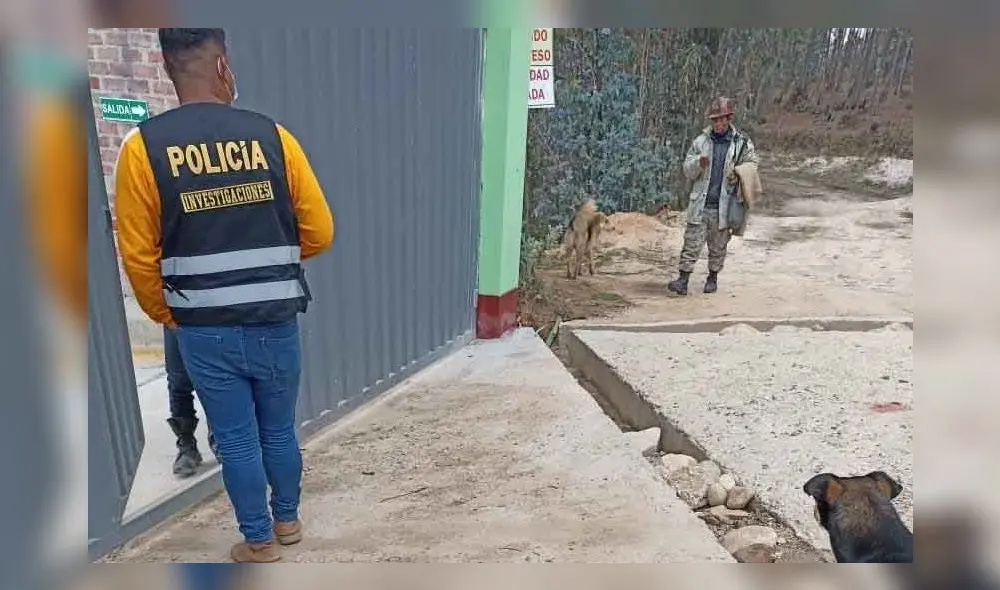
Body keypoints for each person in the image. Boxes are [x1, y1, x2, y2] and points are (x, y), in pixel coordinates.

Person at [114, 28, 335, 562]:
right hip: (274, 321)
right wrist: (271, 264)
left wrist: (167, 312)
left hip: (204, 331)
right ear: (223, 67)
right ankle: (287, 523)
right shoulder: (274, 137)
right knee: (278, 430)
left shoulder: (142, 149)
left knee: (235, 440)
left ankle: (257, 542)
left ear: (168, 69)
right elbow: (320, 231)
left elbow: (139, 255)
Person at [667, 96, 758, 296]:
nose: (718, 123)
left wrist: (738, 173)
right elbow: (686, 170)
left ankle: (712, 277)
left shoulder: (741, 143)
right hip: (701, 202)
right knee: (691, 242)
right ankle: (683, 280)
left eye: (721, 119)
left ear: (729, 118)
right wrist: (698, 163)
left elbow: (752, 165)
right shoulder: (701, 142)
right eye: (714, 119)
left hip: (724, 206)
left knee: (718, 246)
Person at [163, 324, 218, 478]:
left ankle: (220, 441)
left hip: (211, 311)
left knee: (215, 376)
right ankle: (186, 445)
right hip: (173, 312)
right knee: (178, 379)